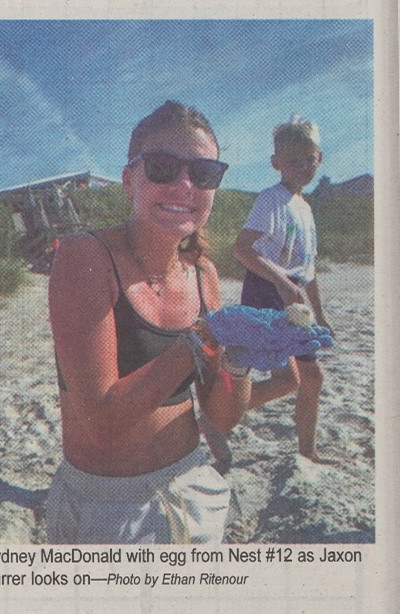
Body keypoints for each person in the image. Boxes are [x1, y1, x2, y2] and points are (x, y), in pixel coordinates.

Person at [46, 101, 253, 544]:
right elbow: (102, 419)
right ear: (128, 180)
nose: (184, 184)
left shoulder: (204, 275)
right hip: (106, 504)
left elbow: (220, 414)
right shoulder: (86, 257)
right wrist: (198, 341)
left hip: (192, 484)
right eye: (162, 166)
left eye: (203, 174)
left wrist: (240, 360)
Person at [233, 116, 334, 461]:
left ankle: (307, 452)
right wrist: (282, 282)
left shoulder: (305, 208)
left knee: (308, 379)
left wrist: (320, 314)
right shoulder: (270, 200)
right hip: (267, 292)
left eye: (309, 158)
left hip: (293, 297)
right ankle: (216, 415)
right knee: (292, 379)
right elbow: (242, 249)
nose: (303, 166)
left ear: (319, 157)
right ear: (276, 163)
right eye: (293, 160)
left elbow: (309, 270)